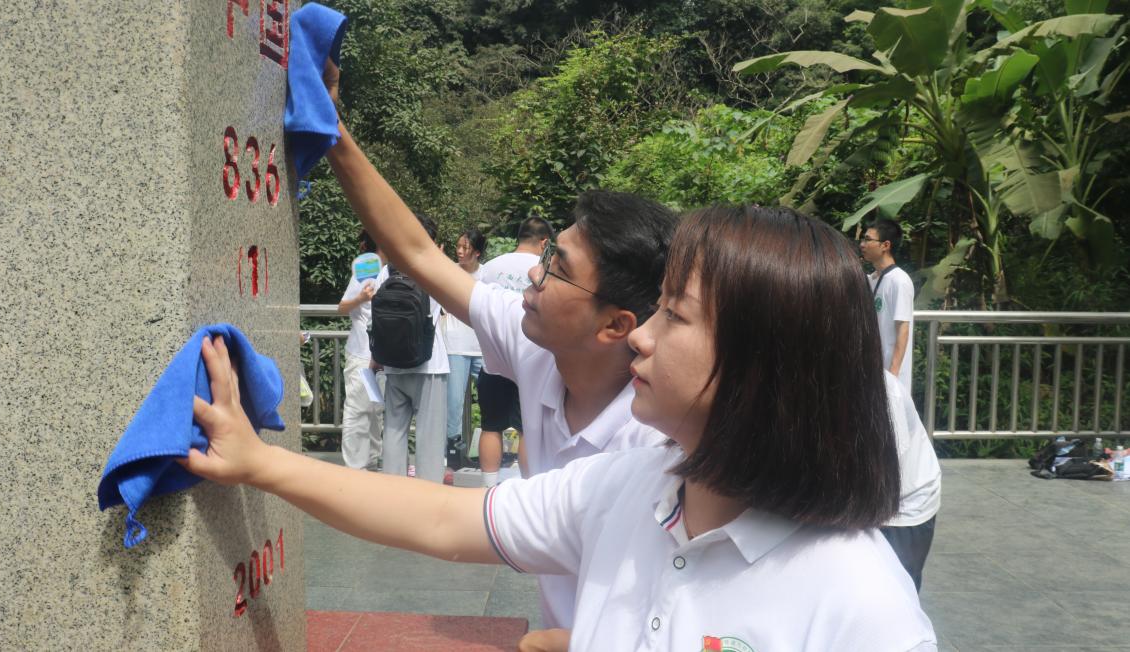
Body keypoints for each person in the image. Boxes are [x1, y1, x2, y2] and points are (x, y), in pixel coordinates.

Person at [181, 205, 936, 651]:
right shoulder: (629, 487)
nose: (642, 337)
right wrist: (259, 463)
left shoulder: (862, 608)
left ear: (759, 367)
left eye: (675, 316)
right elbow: (442, 518)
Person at [320, 50, 672, 632]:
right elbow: (418, 253)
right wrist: (331, 129)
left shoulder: (655, 441)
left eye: (558, 269)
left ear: (615, 326)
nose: (533, 271)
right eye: (548, 255)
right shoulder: (542, 345)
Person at [476, 216, 552, 487]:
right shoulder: (544, 268)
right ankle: (528, 489)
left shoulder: (490, 267)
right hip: (532, 361)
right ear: (544, 242)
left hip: (493, 359)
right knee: (528, 430)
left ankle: (488, 488)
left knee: (490, 425)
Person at [376, 212, 450, 483]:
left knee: (394, 432)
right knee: (429, 436)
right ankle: (428, 492)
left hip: (393, 362)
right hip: (430, 363)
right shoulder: (434, 269)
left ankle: (392, 490)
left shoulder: (388, 270)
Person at [883, 370, 941, 591]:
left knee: (898, 585)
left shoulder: (887, 393)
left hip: (907, 504)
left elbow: (887, 465)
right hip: (877, 497)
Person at [336, 231, 383, 471]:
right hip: (362, 354)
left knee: (375, 410)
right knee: (358, 409)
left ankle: (371, 461)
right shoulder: (366, 270)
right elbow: (342, 307)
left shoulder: (391, 270)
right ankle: (355, 467)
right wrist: (362, 299)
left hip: (384, 356)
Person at [444, 229, 487, 468]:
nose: (459, 251)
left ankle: (489, 450)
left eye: (465, 247)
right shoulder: (449, 271)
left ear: (477, 252)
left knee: (490, 400)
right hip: (455, 344)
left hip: (483, 347)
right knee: (454, 404)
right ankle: (453, 455)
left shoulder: (487, 275)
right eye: (458, 246)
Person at [860, 218, 915, 394]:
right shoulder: (872, 279)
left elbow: (903, 329)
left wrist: (893, 376)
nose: (862, 245)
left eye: (868, 240)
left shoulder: (899, 281)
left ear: (885, 245)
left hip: (891, 377)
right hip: (874, 371)